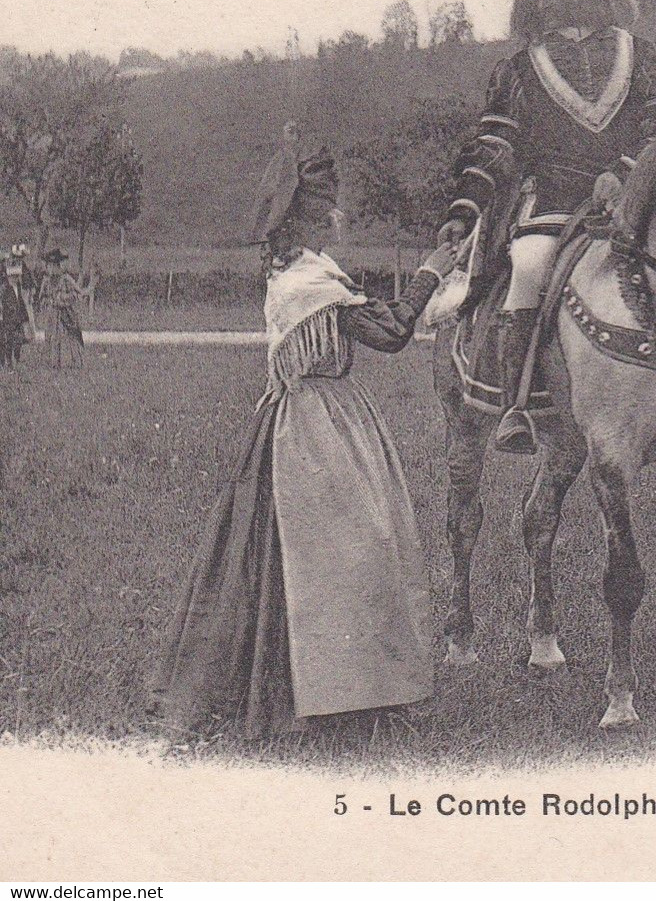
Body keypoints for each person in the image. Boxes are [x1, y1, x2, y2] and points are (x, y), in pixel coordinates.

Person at [150, 145, 459, 740]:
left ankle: (339, 686)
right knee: (349, 550)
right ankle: (335, 692)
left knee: (309, 558)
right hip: (316, 427)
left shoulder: (302, 274)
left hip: (311, 416)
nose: (335, 215)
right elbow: (394, 333)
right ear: (308, 219)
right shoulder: (307, 283)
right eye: (325, 208)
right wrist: (431, 272)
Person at [435, 0, 656, 454]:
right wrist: (464, 210)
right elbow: (495, 144)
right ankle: (520, 403)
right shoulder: (519, 70)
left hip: (636, 197)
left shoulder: (642, 55)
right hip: (553, 200)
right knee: (529, 265)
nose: (549, 2)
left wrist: (625, 173)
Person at [35, 249, 86, 368]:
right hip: (52, 314)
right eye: (49, 266)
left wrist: (63, 299)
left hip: (66, 313)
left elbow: (77, 294)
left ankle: (72, 362)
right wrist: (48, 302)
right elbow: (41, 298)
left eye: (54, 266)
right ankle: (54, 363)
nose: (51, 269)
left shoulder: (66, 279)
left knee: (69, 337)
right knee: (52, 336)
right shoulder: (46, 281)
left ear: (59, 266)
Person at [0, 255, 29, 369]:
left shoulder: (19, 287)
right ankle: (7, 362)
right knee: (7, 342)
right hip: (6, 319)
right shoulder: (4, 288)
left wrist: (25, 318)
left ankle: (16, 359)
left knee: (18, 341)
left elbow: (21, 303)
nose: (15, 279)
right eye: (12, 277)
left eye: (17, 277)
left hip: (17, 318)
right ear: (8, 276)